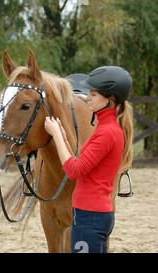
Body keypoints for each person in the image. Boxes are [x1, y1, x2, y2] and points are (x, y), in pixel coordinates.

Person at [44, 66, 133, 253]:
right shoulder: (104, 127)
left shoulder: (107, 133)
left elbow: (74, 170)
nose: (87, 97)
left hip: (90, 216)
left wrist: (56, 137)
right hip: (93, 213)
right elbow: (80, 160)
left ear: (111, 99)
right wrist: (62, 136)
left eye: (93, 94)